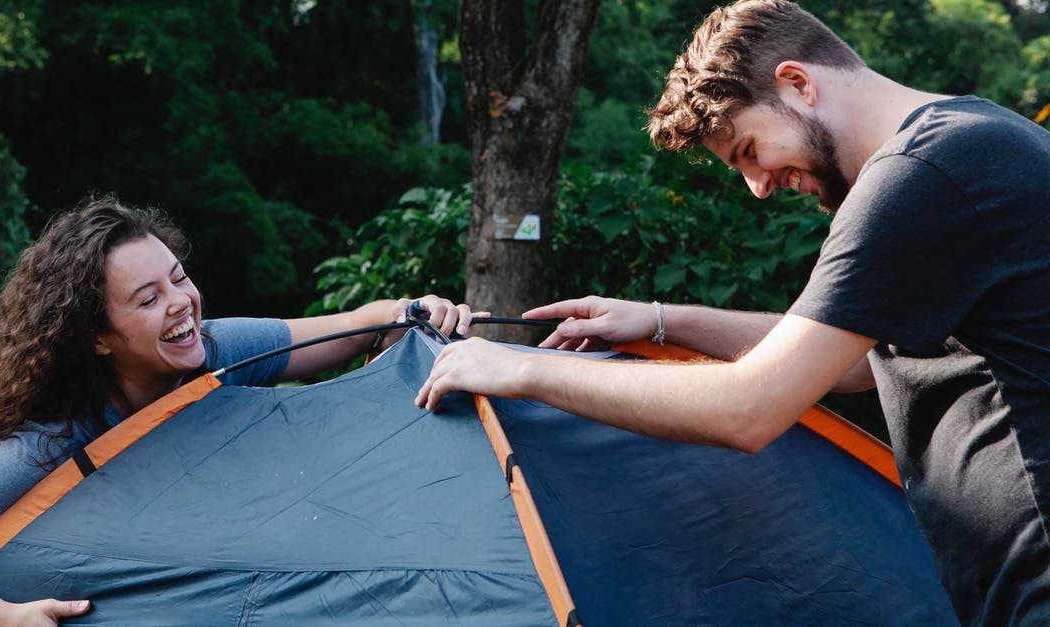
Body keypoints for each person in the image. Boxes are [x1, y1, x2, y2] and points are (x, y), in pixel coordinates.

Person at [416, 0, 1050, 623]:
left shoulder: (920, 174)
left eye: (749, 149)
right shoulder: (971, 138)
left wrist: (517, 370)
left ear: (797, 83)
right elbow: (857, 361)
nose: (759, 185)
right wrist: (661, 320)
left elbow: (750, 408)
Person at [0, 195, 480, 626]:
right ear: (99, 336)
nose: (182, 304)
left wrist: (408, 311)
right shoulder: (55, 441)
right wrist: (0, 618)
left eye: (178, 277)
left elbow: (347, 330)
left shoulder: (215, 352)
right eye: (148, 298)